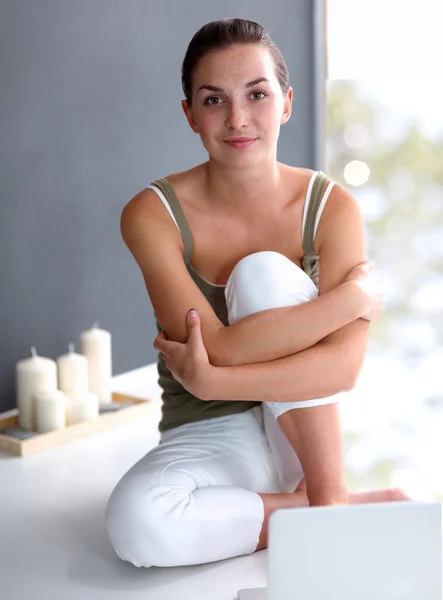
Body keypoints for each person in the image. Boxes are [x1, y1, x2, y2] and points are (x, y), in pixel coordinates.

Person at [105, 18, 409, 569]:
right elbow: (214, 347)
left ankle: (327, 494)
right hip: (209, 427)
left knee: (263, 272)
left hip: (299, 428)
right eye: (214, 99)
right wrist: (350, 299)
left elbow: (341, 369)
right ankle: (323, 511)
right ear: (189, 114)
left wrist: (215, 377)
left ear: (287, 103)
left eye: (257, 94)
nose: (238, 118)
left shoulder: (330, 207)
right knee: (136, 523)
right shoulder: (151, 214)